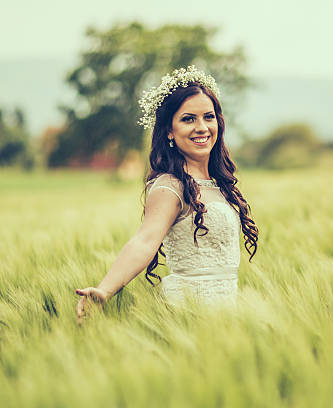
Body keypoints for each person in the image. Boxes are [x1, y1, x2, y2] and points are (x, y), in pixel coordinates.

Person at [75, 66, 258, 323]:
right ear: (169, 130)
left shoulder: (218, 184)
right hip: (189, 315)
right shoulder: (169, 186)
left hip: (226, 316)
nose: (202, 127)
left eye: (208, 116)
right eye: (188, 119)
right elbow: (145, 240)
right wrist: (105, 290)